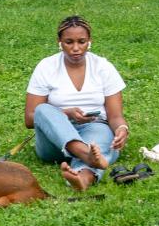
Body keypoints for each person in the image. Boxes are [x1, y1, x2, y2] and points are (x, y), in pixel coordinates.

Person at [24, 15, 129, 191]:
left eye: (81, 42)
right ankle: (84, 153)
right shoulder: (46, 67)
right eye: (69, 42)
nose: (76, 48)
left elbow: (115, 116)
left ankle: (82, 179)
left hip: (93, 128)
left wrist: (121, 129)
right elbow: (30, 118)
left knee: (100, 141)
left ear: (89, 41)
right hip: (53, 139)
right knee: (43, 109)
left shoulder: (103, 67)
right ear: (59, 42)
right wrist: (65, 113)